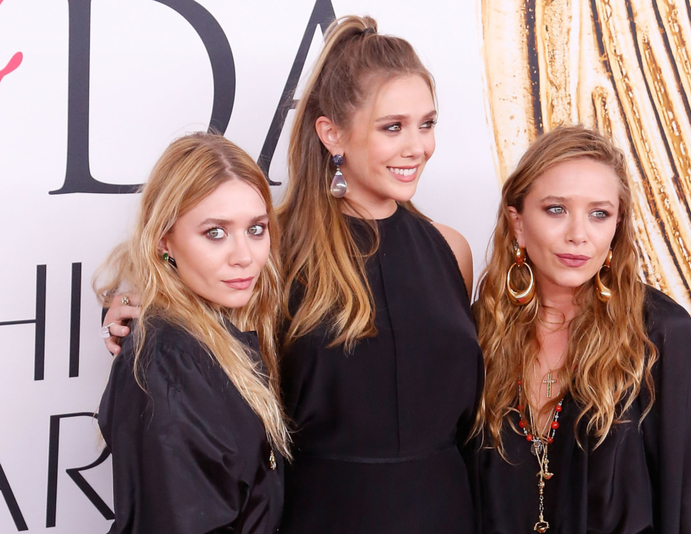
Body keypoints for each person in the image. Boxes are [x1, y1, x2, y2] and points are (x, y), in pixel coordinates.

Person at [275, 15, 483, 533]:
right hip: (321, 516)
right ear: (332, 133)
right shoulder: (275, 250)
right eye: (393, 127)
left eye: (427, 124)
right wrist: (144, 306)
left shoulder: (450, 250)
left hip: (447, 513)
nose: (418, 147)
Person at [472, 126, 691, 533]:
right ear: (517, 223)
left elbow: (687, 505)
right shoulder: (484, 326)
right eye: (555, 209)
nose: (578, 235)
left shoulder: (659, 333)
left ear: (617, 226)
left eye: (599, 213)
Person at [96, 132, 290, 533]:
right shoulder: (169, 363)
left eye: (256, 229)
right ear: (165, 239)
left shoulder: (215, 333)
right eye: (215, 233)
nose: (244, 257)